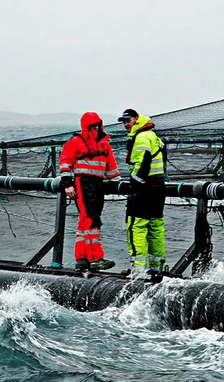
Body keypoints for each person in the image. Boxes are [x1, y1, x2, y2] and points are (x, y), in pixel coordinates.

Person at [58, 112, 120, 271]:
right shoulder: (75, 142)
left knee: (86, 220)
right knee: (91, 220)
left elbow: (112, 169)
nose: (95, 128)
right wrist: (67, 184)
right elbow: (65, 163)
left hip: (97, 184)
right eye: (92, 126)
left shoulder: (105, 144)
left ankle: (81, 258)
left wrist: (120, 185)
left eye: (97, 125)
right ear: (86, 127)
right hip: (83, 182)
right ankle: (96, 258)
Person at [118, 108, 167, 275]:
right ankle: (156, 267)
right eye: (124, 121)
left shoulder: (141, 137)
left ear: (137, 119)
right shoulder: (153, 135)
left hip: (144, 188)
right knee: (155, 226)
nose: (125, 124)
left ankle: (137, 269)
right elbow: (162, 153)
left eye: (128, 120)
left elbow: (143, 163)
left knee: (135, 225)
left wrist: (136, 182)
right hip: (158, 186)